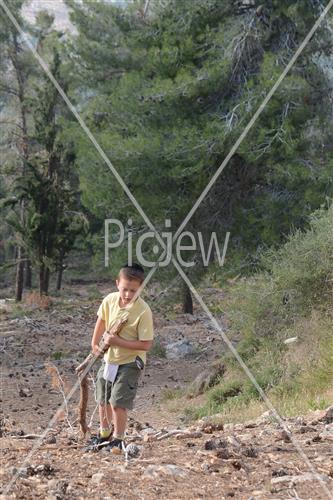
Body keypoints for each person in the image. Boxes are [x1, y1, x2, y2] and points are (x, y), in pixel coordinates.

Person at [86, 263, 154, 452]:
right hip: (110, 359)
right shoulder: (109, 300)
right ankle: (104, 434)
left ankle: (118, 439)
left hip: (131, 361)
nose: (128, 294)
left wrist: (116, 341)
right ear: (117, 284)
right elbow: (101, 321)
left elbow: (146, 344)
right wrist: (95, 345)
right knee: (103, 399)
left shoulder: (143, 310)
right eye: (125, 289)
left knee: (118, 402)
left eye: (133, 290)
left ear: (140, 288)